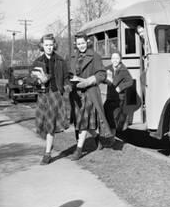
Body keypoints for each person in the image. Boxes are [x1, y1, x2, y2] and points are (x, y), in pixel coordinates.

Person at [69, 33, 113, 160]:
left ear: (87, 42)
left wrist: (87, 81)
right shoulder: (72, 57)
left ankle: (78, 150)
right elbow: (69, 73)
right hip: (76, 93)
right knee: (83, 123)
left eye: (83, 43)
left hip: (90, 92)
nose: (81, 46)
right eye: (78, 44)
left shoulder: (95, 56)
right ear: (75, 45)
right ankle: (98, 138)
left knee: (83, 121)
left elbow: (101, 75)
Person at [31, 34, 71, 165]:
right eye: (46, 45)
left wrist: (66, 88)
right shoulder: (37, 61)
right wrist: (38, 80)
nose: (49, 47)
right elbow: (29, 78)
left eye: (50, 45)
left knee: (50, 125)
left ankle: (47, 154)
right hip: (42, 95)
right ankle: (49, 144)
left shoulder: (61, 61)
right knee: (42, 125)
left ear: (54, 45)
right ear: (42, 45)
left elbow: (66, 78)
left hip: (55, 95)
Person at [103, 52, 133, 134]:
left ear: (120, 59)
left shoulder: (123, 70)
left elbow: (130, 81)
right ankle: (112, 131)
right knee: (105, 111)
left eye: (117, 58)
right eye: (113, 58)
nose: (115, 60)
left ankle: (112, 137)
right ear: (111, 59)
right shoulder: (108, 68)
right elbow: (102, 77)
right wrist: (106, 80)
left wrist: (120, 87)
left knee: (114, 116)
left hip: (119, 98)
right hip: (110, 96)